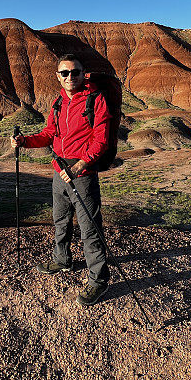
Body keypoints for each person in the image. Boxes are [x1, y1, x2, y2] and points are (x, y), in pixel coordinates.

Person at [10, 53, 112, 306]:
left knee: (90, 229)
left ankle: (98, 280)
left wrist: (79, 166)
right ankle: (62, 260)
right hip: (59, 172)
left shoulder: (95, 100)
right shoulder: (58, 103)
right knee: (60, 220)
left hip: (83, 175)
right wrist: (25, 142)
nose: (70, 77)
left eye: (74, 72)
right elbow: (48, 135)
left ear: (83, 73)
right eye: (64, 73)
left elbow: (102, 139)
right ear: (58, 76)